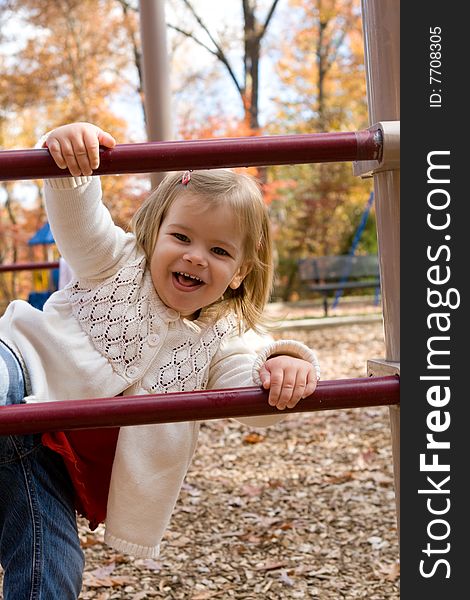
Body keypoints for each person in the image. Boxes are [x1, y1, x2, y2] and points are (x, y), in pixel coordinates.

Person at [0, 122, 320, 599]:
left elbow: (246, 382)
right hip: (21, 368)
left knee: (52, 569)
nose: (195, 257)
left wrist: (282, 365)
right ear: (154, 232)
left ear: (239, 273)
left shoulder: (225, 336)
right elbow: (77, 217)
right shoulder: (115, 263)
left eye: (218, 250)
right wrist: (72, 161)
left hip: (48, 461)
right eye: (182, 237)